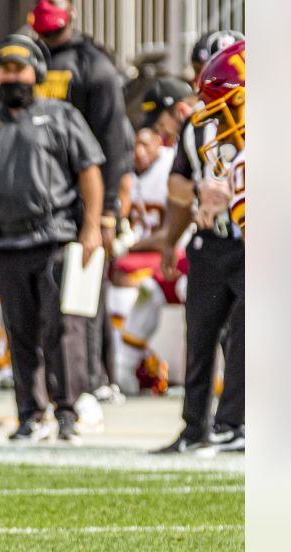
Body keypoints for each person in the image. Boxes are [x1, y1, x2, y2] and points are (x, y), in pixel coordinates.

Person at [0, 35, 106, 443]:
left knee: (62, 329)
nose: (11, 76)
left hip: (56, 237)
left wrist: (91, 228)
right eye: (5, 69)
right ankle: (29, 414)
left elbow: (90, 172)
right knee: (20, 333)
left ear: (35, 71)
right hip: (7, 243)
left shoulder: (61, 115)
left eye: (18, 68)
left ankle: (67, 413)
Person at [27, 0, 134, 401]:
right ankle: (68, 381)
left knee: (86, 292)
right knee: (57, 299)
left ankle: (94, 378)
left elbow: (113, 142)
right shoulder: (28, 59)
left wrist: (105, 211)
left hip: (84, 194)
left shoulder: (94, 65)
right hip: (43, 193)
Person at [152, 41, 245, 454]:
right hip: (211, 242)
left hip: (252, 246)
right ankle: (195, 428)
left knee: (246, 336)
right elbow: (176, 184)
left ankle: (233, 423)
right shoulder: (199, 124)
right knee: (201, 335)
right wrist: (198, 192)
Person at [107, 127, 185, 395]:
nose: (138, 152)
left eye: (145, 145)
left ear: (158, 145)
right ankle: (124, 366)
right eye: (134, 146)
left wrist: (132, 245)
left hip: (177, 254)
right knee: (136, 287)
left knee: (130, 277)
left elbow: (175, 226)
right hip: (147, 256)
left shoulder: (171, 166)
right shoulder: (128, 174)